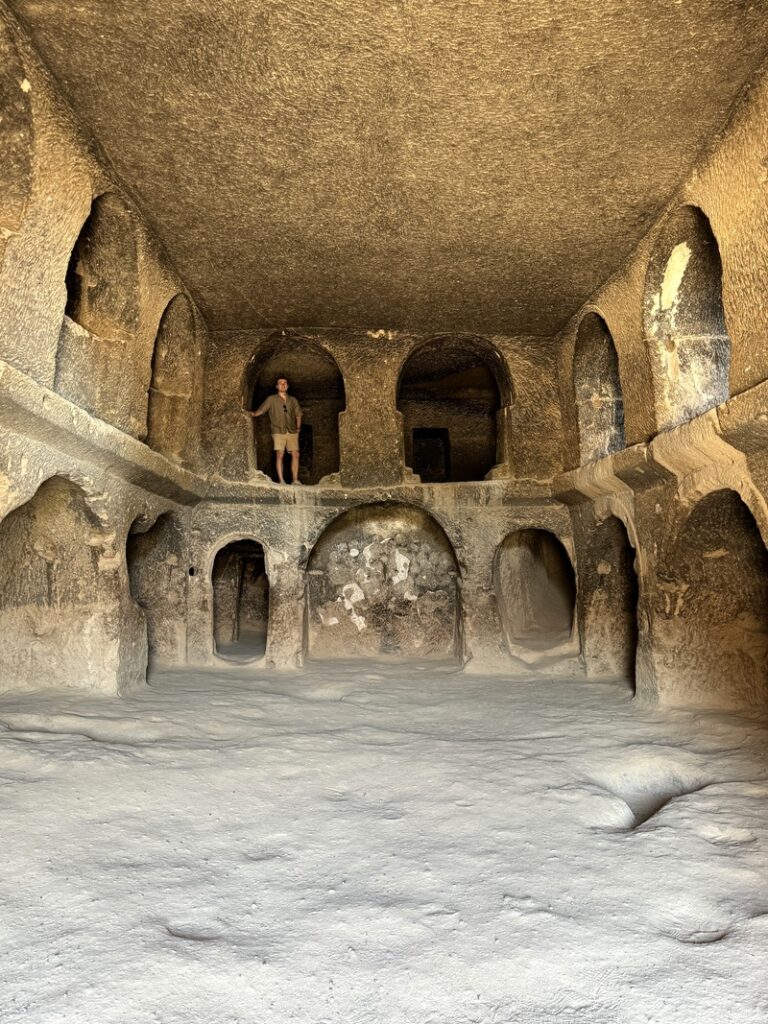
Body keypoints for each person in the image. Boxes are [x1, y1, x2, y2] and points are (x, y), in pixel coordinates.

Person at [245, 377, 303, 485]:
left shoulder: (293, 400)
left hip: (292, 431)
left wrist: (298, 428)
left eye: (285, 383)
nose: (283, 384)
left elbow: (298, 414)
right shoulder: (271, 399)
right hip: (278, 430)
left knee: (296, 454)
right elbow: (262, 410)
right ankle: (281, 480)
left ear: (287, 386)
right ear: (277, 386)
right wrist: (252, 414)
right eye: (280, 383)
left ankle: (295, 480)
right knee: (280, 454)